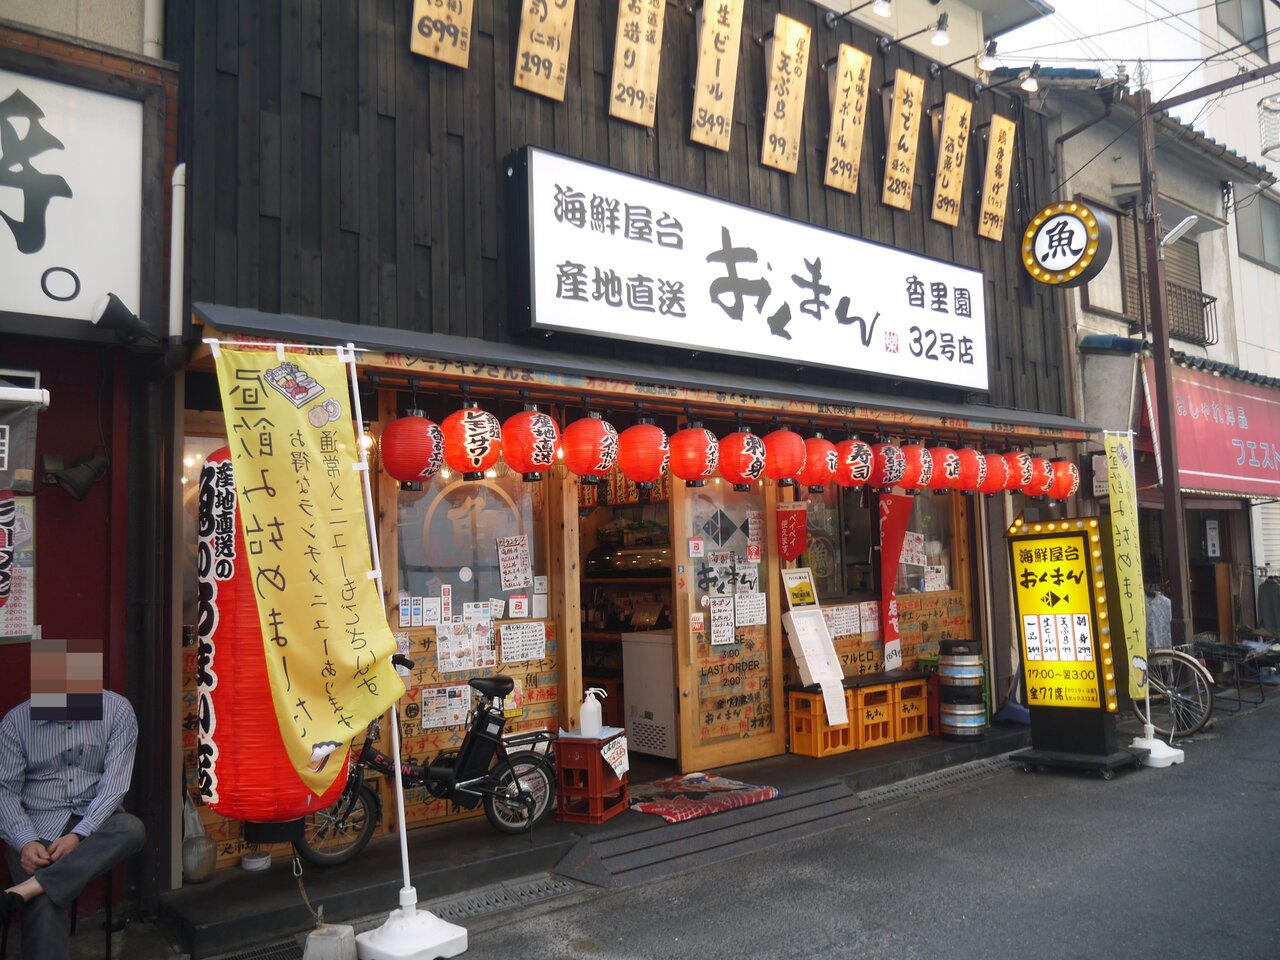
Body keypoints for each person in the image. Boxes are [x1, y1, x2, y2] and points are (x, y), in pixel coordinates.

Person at [0, 639, 145, 959]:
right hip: (35, 822)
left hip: (93, 819)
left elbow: (114, 784)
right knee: (45, 900)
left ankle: (25, 889)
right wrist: (24, 841)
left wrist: (80, 834)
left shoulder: (118, 712)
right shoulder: (15, 723)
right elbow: (4, 790)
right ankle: (35, 890)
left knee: (132, 828)